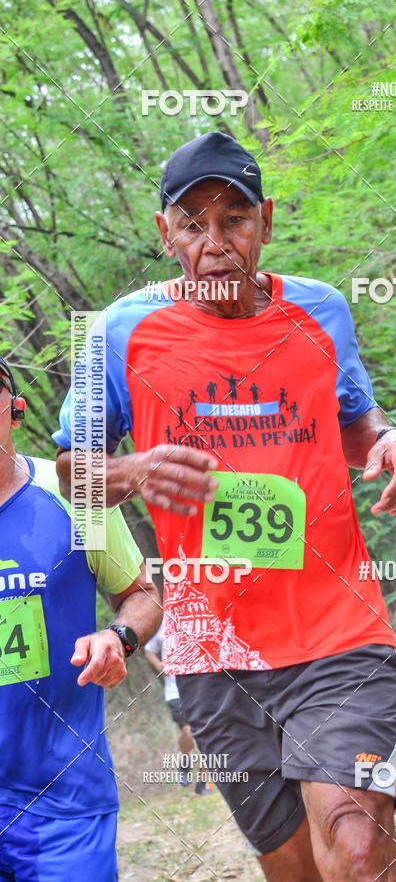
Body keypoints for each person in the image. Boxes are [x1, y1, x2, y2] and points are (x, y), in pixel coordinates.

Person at [53, 132, 396, 881]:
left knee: (355, 840)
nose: (216, 243)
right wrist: (132, 469)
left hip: (337, 628)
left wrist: (390, 442)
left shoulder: (319, 311)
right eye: (194, 224)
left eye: (235, 220)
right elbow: (72, 475)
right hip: (212, 651)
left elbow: (354, 424)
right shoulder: (120, 333)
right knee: (296, 869)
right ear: (166, 235)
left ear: (267, 222)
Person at [0, 356, 162, 881]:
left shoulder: (72, 496)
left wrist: (118, 637)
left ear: (15, 410)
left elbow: (143, 596)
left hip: (61, 796)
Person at [145, 619, 212, 795]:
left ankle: (203, 783)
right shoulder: (162, 626)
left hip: (200, 691)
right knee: (189, 734)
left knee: (205, 736)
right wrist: (159, 665)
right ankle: (184, 761)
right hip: (175, 693)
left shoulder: (198, 623)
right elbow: (149, 651)